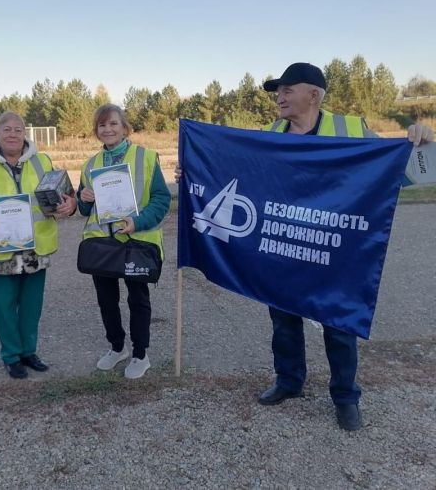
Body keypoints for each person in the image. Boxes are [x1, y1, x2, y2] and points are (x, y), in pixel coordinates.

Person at [175, 62, 434, 430]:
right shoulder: (269, 134)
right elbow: (238, 172)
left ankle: (345, 396)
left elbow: (396, 174)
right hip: (282, 243)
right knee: (282, 317)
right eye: (277, 92)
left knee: (338, 324)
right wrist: (192, 170)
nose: (278, 97)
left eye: (286, 90)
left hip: (334, 249)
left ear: (313, 94)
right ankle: (288, 381)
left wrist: (421, 143)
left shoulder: (350, 128)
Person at [0, 111, 76, 379]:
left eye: (18, 130)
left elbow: (67, 195)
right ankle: (11, 356)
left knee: (31, 305)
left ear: (25, 134)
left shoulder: (43, 161)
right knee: (4, 305)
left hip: (36, 247)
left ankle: (29, 352)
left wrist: (69, 205)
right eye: (7, 130)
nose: (12, 134)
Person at [77, 104, 171, 379]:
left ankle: (140, 354)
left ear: (125, 127)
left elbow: (162, 199)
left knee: (138, 300)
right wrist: (84, 199)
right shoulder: (90, 164)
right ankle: (117, 347)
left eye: (113, 124)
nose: (107, 129)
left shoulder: (145, 157)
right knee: (106, 300)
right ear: (96, 131)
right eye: (102, 125)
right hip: (101, 244)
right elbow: (85, 211)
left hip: (137, 241)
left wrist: (137, 222)